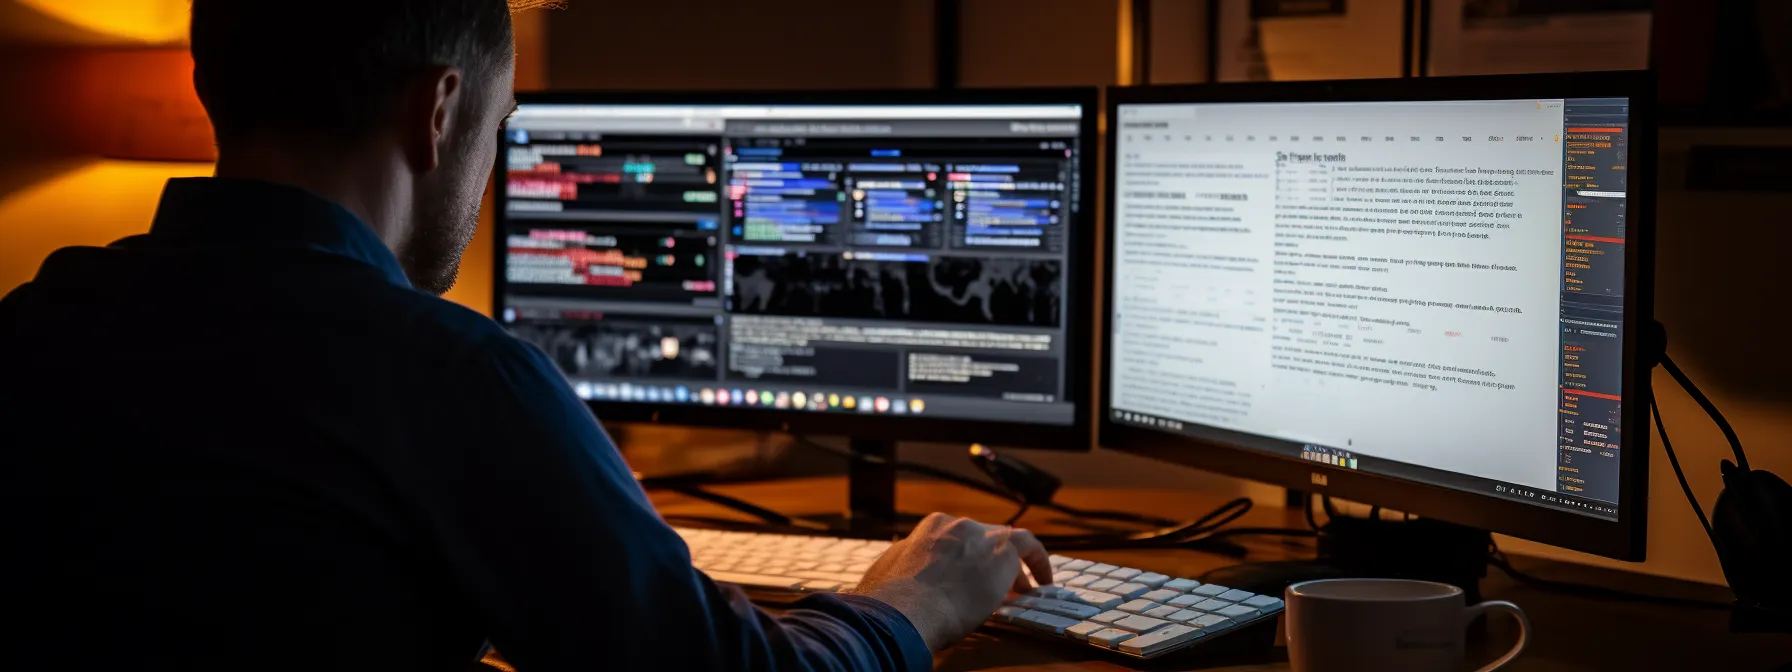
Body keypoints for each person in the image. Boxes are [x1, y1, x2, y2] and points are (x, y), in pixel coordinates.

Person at [0, 1, 1053, 670]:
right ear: (441, 109)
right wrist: (917, 601)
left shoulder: (34, 326)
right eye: (501, 130)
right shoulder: (451, 377)